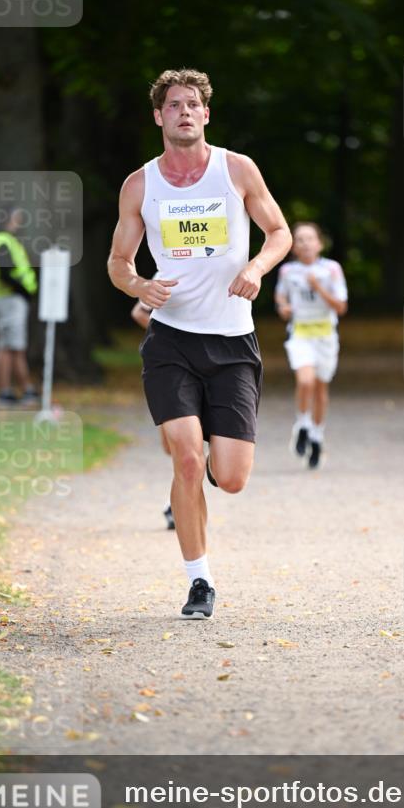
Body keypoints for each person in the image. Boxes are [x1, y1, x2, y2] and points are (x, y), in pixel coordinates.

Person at [108, 68, 291, 619]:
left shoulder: (237, 170)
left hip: (232, 341)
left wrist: (256, 268)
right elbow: (118, 262)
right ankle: (199, 582)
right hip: (172, 342)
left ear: (206, 114)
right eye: (173, 104)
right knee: (186, 459)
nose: (184, 111)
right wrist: (139, 286)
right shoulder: (140, 185)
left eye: (192, 104)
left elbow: (279, 232)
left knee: (229, 478)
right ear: (158, 116)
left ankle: (214, 461)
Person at [274, 222, 348, 469]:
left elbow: (341, 306)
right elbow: (280, 295)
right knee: (305, 381)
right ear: (293, 246)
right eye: (300, 239)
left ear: (319, 243)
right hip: (300, 334)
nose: (305, 243)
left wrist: (318, 287)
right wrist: (283, 307)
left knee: (320, 388)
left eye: (310, 238)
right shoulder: (288, 271)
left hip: (325, 336)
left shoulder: (332, 269)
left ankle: (317, 436)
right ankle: (303, 425)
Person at [0, 207, 39, 409]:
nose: (18, 223)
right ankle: (14, 391)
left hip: (2, 298)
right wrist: (23, 290)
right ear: (6, 219)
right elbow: (5, 272)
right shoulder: (3, 241)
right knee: (11, 347)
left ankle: (15, 390)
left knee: (8, 345)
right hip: (9, 299)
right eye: (16, 218)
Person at [131, 298, 175, 530]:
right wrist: (170, 334)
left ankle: (176, 505)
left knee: (190, 447)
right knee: (172, 446)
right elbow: (139, 312)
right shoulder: (167, 277)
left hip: (214, 362)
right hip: (170, 365)